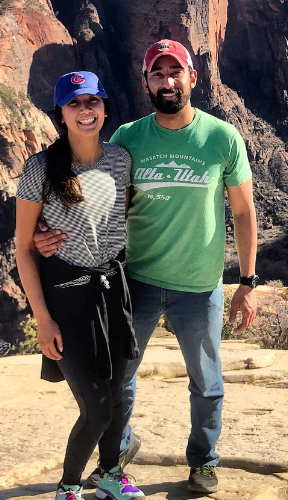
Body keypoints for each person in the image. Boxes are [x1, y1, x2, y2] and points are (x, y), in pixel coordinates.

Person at [34, 40, 259, 494]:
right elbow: (90, 195)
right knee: (120, 380)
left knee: (207, 382)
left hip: (199, 285)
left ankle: (204, 461)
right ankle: (117, 456)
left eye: (176, 71)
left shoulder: (222, 137)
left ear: (193, 78)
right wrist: (45, 231)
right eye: (158, 74)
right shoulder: (128, 138)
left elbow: (244, 212)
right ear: (145, 84)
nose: (168, 81)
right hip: (133, 279)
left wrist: (247, 282)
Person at [15, 71, 145, 500]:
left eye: (93, 101)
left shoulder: (120, 160)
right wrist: (42, 320)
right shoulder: (40, 168)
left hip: (114, 290)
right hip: (68, 299)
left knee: (117, 395)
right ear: (61, 114)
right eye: (75, 103)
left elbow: (114, 221)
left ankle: (109, 474)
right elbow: (22, 248)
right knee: (97, 407)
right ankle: (68, 486)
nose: (85, 110)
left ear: (105, 108)